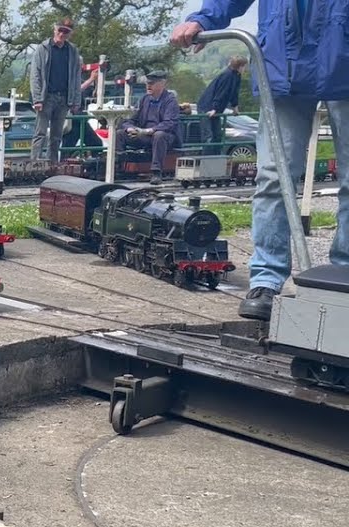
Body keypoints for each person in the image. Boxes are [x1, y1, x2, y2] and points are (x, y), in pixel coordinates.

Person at [172, 3, 349, 321]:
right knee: (273, 175)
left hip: (343, 49)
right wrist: (204, 18)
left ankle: (344, 276)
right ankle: (266, 280)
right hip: (285, 60)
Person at [29, 18, 83, 162]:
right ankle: (34, 163)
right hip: (46, 97)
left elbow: (76, 77)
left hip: (64, 98)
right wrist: (37, 99)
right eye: (60, 30)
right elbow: (35, 75)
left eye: (66, 31)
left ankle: (52, 164)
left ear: (70, 34)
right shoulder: (43, 48)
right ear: (55, 30)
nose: (62, 34)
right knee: (40, 133)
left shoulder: (73, 51)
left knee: (57, 135)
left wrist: (75, 100)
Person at [113, 71, 180, 184]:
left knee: (159, 135)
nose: (148, 86)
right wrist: (130, 128)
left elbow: (169, 123)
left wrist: (147, 131)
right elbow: (129, 119)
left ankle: (156, 172)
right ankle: (119, 167)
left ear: (162, 84)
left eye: (152, 83)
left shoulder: (170, 100)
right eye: (147, 83)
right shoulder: (144, 99)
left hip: (164, 135)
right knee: (120, 133)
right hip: (144, 135)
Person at [197, 56, 246, 154]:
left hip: (216, 108)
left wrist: (235, 107)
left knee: (218, 136)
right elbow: (221, 93)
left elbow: (234, 93)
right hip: (207, 106)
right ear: (240, 66)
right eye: (244, 66)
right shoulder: (227, 75)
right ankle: (207, 162)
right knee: (209, 137)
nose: (245, 69)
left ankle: (216, 159)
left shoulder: (236, 76)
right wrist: (214, 108)